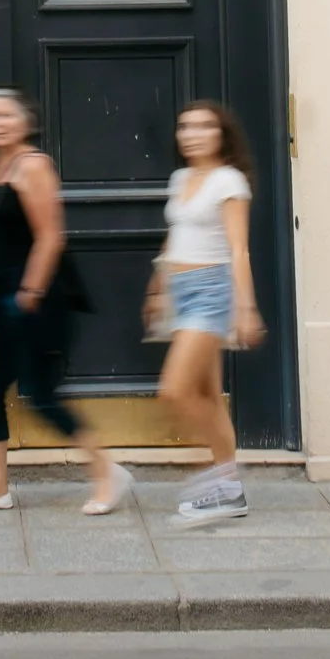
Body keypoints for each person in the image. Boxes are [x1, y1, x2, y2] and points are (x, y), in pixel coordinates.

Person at [0, 88, 127, 516]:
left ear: (26, 121)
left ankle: (108, 473)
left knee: (44, 396)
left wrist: (28, 294)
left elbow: (50, 237)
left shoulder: (33, 166)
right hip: (1, 296)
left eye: (5, 115)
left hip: (35, 298)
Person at [146, 101, 264, 528]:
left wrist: (246, 307)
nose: (192, 134)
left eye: (203, 126)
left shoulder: (228, 181)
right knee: (210, 398)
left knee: (174, 390)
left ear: (221, 134)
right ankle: (229, 492)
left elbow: (238, 248)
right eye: (185, 126)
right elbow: (176, 234)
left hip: (212, 293)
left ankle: (222, 481)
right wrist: (157, 286)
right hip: (180, 291)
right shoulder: (181, 178)